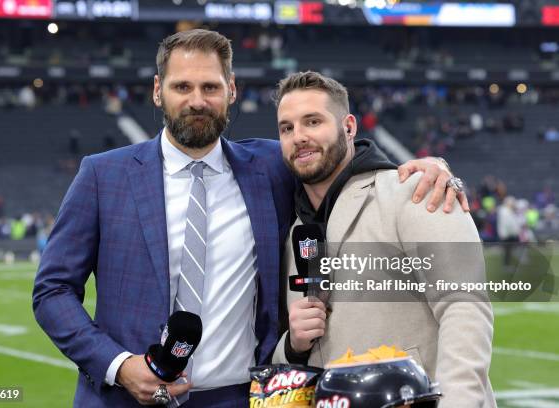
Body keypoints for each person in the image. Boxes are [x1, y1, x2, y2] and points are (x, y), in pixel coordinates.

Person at [33, 30, 466, 407]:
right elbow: (52, 291)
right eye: (182, 86)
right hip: (125, 399)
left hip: (242, 397)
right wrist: (119, 365)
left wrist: (425, 168)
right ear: (157, 90)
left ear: (232, 90)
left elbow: (335, 157)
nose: (197, 101)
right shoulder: (102, 175)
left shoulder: (270, 167)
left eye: (211, 87)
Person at [271, 71, 495, 408]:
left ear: (348, 127)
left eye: (313, 122)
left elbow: (465, 307)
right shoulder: (294, 232)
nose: (299, 136)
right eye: (287, 128)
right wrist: (293, 346)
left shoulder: (416, 190)